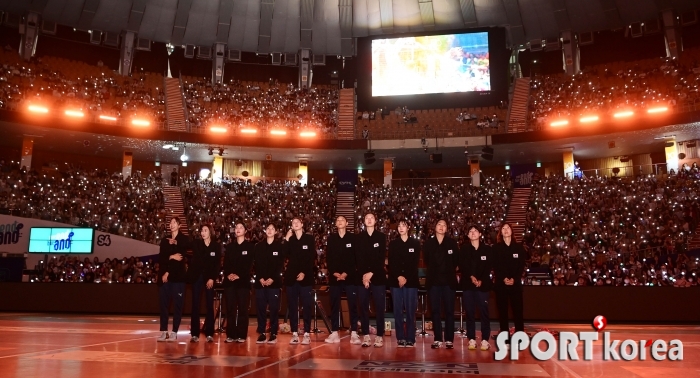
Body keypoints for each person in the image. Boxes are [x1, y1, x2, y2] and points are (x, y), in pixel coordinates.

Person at [325, 215, 360, 344]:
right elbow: (328, 258)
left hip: (350, 277)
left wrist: (346, 273)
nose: (339, 222)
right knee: (334, 305)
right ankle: (334, 332)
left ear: (347, 223)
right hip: (335, 278)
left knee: (352, 305)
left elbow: (355, 259)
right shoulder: (332, 239)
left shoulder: (353, 238)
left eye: (342, 220)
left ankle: (354, 332)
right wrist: (334, 273)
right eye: (337, 220)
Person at [424, 218, 459, 349]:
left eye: (444, 225)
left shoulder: (452, 243)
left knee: (449, 311)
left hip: (448, 283)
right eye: (439, 224)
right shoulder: (429, 243)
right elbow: (427, 260)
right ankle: (438, 338)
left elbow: (455, 261)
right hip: (434, 282)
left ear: (446, 229)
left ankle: (449, 339)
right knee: (435, 312)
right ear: (435, 227)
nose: (441, 226)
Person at [356, 212, 387, 348]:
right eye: (366, 218)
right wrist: (365, 276)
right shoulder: (359, 238)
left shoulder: (381, 237)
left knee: (379, 307)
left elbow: (380, 258)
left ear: (375, 221)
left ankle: (379, 335)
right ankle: (366, 336)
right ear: (364, 221)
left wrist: (371, 273)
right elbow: (358, 258)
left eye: (371, 218)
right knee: (363, 307)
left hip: (378, 277)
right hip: (362, 278)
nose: (369, 220)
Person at [284, 217, 317, 345]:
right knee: (292, 306)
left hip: (306, 277)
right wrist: (286, 238)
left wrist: (304, 272)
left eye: (297, 222)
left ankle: (307, 333)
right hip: (291, 278)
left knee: (307, 306)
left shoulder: (309, 239)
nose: (295, 224)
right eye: (293, 223)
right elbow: (284, 254)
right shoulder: (290, 240)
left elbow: (310, 257)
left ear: (302, 224)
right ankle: (294, 333)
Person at [388, 219, 420, 348]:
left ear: (408, 228)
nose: (401, 228)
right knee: (398, 311)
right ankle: (400, 337)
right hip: (396, 282)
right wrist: (399, 276)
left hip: (411, 281)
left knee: (411, 311)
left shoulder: (415, 243)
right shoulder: (393, 244)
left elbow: (414, 263)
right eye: (399, 226)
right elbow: (391, 263)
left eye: (404, 226)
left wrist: (405, 277)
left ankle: (411, 338)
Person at [459, 225, 493, 351]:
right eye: (470, 231)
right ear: (468, 235)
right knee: (470, 313)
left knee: (484, 313)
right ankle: (471, 339)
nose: (473, 233)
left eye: (475, 231)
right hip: (468, 285)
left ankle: (485, 339)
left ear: (480, 234)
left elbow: (488, 266)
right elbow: (463, 265)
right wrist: (471, 277)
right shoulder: (464, 249)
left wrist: (481, 280)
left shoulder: (487, 249)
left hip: (483, 286)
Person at [493, 222, 527, 346]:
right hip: (501, 285)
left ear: (512, 231)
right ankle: (505, 339)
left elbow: (521, 266)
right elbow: (496, 266)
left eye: (508, 228)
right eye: (503, 228)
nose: (506, 230)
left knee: (518, 312)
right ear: (500, 232)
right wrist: (503, 278)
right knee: (503, 314)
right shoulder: (496, 248)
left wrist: (514, 279)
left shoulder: (518, 248)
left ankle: (520, 338)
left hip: (516, 285)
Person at [157, 217, 190, 342]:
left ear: (179, 225)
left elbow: (180, 258)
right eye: (170, 223)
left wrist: (168, 270)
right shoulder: (165, 240)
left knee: (177, 305)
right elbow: (162, 258)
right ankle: (164, 331)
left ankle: (174, 331)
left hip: (178, 278)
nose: (171, 225)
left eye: (174, 222)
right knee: (164, 305)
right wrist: (170, 257)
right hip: (165, 278)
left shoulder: (183, 239)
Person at [253, 223, 287, 344]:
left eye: (272, 229)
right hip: (260, 283)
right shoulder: (258, 246)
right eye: (268, 228)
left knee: (273, 309)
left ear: (276, 232)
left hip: (274, 283)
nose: (270, 230)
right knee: (261, 309)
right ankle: (262, 332)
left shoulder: (279, 247)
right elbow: (256, 264)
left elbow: (280, 265)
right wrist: (260, 278)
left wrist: (273, 278)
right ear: (265, 230)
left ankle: (273, 333)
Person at [187, 224, 221, 343]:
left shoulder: (216, 246)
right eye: (201, 230)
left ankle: (209, 333)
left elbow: (217, 264)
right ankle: (195, 334)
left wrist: (212, 278)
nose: (203, 232)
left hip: (209, 279)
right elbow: (186, 245)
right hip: (197, 277)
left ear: (210, 232)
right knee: (195, 305)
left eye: (205, 230)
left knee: (209, 306)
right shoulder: (197, 244)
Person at [223, 221, 255, 343]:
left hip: (243, 282)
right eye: (236, 227)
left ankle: (241, 334)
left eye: (241, 227)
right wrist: (229, 274)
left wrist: (239, 275)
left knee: (242, 309)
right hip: (230, 282)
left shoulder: (250, 247)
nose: (238, 229)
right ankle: (230, 334)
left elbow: (248, 265)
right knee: (230, 309)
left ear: (245, 231)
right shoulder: (230, 247)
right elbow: (226, 264)